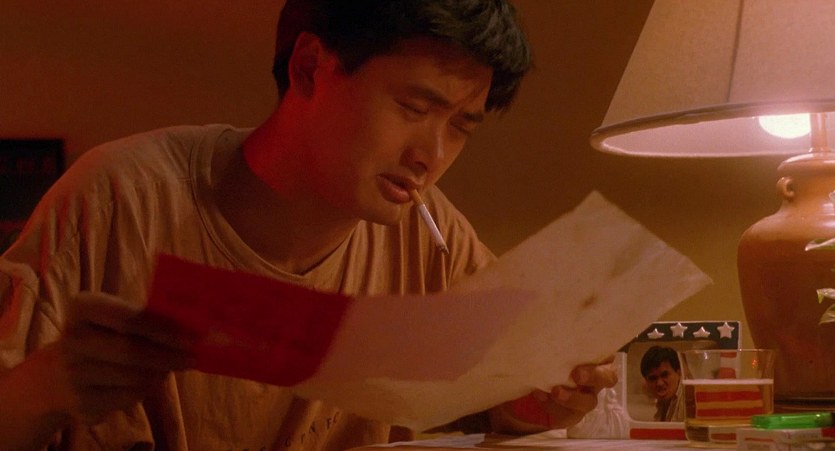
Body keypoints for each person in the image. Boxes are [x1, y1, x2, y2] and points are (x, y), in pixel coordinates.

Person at [0, 1, 618, 449]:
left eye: (461, 126)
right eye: (414, 107)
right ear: (308, 66)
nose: (431, 155)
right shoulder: (119, 199)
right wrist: (46, 388)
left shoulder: (431, 236)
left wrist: (537, 399)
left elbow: (491, 405)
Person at [640, 346, 684, 422]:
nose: (659, 383)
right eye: (653, 378)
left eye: (665, 375)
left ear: (679, 373)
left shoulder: (688, 402)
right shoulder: (663, 401)